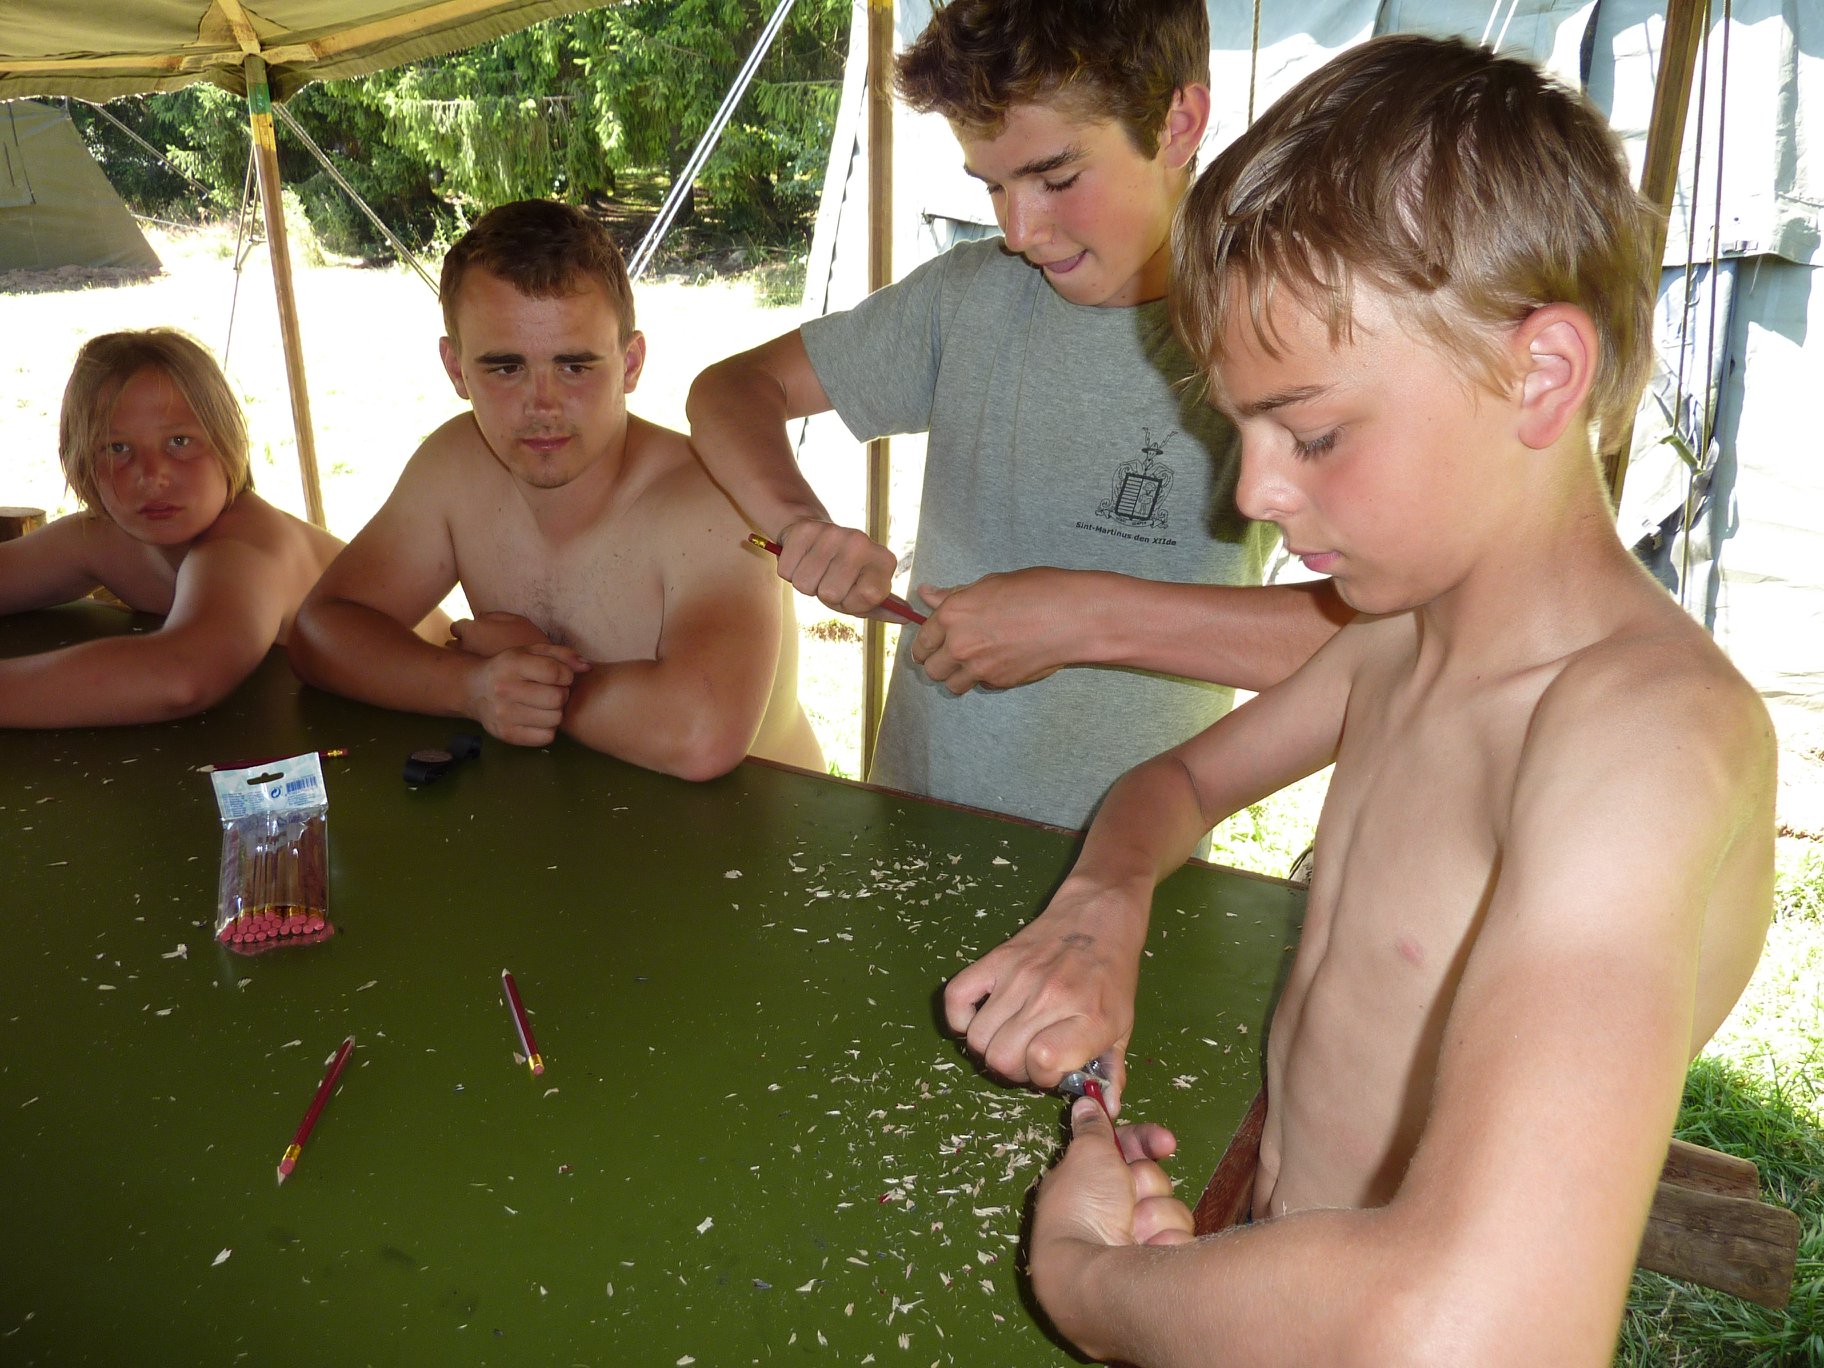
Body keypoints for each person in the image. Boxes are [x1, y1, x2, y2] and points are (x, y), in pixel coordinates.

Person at [946, 35, 1777, 1365]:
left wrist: (1092, 1287)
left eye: (1312, 433)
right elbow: (1179, 785)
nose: (1256, 494)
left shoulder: (1642, 744)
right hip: (1290, 1261)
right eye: (1245, 433)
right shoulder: (1406, 627)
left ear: (1541, 376)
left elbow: (1473, 1327)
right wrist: (1105, 904)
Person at [687, 0, 1345, 831]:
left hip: (1127, 869)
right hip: (913, 819)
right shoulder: (969, 299)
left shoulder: (1278, 335)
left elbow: (1390, 636)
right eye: (993, 186)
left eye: (1057, 178)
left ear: (1178, 123)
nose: (1019, 229)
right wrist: (799, 523)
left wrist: (1085, 617)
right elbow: (731, 391)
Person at [288, 200, 821, 780]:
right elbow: (322, 631)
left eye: (574, 366)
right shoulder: (455, 467)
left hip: (760, 840)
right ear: (456, 369)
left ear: (631, 363)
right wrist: (476, 686)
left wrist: (529, 680)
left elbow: (699, 733)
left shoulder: (713, 499)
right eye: (505, 368)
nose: (542, 406)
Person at [0, 328, 347, 727]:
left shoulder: (246, 548)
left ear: (228, 443)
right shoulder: (105, 538)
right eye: (117, 449)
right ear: (80, 462)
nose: (152, 475)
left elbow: (182, 675)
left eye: (180, 441)